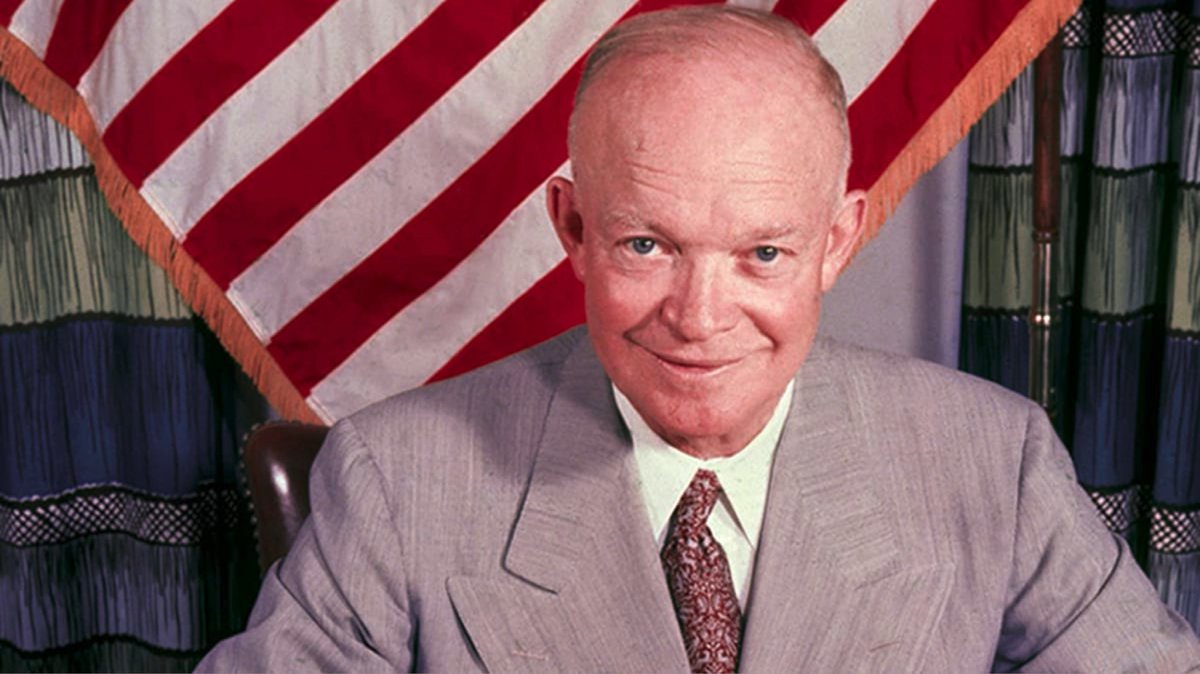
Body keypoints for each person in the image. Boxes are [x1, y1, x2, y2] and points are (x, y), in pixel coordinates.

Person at [197, 6, 1200, 672]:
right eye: (647, 244)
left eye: (763, 253)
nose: (700, 315)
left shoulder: (991, 460)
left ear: (836, 242)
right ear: (573, 228)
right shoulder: (398, 478)